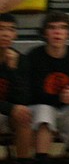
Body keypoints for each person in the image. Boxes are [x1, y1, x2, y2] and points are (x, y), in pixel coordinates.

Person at [21, 12, 69, 163]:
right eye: (52, 28)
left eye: (62, 28)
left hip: (66, 108)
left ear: (68, 33)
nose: (57, 32)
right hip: (40, 108)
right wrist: (60, 97)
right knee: (45, 110)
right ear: (44, 33)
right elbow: (31, 93)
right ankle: (41, 157)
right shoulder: (34, 57)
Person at [0, 14, 32, 162]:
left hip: (7, 112)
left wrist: (13, 70)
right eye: (1, 29)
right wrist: (11, 108)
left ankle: (23, 160)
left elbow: (23, 98)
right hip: (6, 108)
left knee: (24, 115)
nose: (6, 33)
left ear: (15, 34)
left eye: (10, 29)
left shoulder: (21, 60)